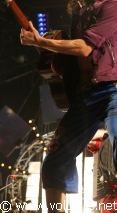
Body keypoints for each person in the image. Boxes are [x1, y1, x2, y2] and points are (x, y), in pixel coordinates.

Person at [20, 0, 117, 212]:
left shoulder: (111, 5)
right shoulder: (80, 13)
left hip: (113, 88)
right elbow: (74, 56)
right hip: (87, 96)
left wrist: (42, 43)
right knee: (54, 161)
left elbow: (83, 48)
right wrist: (48, 47)